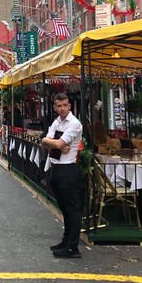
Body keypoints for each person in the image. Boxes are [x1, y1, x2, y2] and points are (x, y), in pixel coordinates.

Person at [41, 93, 83, 259]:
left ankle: (73, 247)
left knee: (72, 209)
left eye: (65, 105)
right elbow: (45, 142)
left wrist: (53, 143)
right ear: (55, 107)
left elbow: (56, 143)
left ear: (70, 106)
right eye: (59, 106)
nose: (62, 108)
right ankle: (66, 241)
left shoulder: (74, 123)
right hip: (56, 168)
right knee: (64, 208)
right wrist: (52, 143)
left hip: (68, 170)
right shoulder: (57, 122)